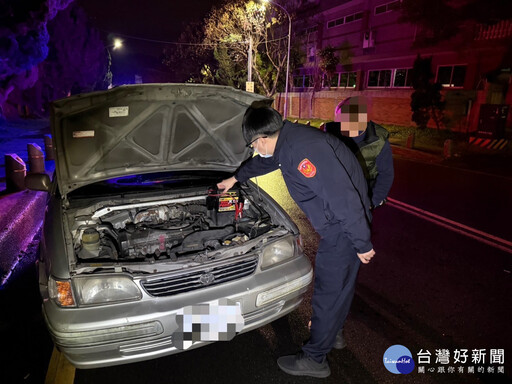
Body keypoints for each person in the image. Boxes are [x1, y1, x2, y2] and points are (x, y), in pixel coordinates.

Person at [217, 103, 375, 378]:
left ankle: (315, 359)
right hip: (346, 226)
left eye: (254, 145)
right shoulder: (288, 141)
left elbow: (343, 198)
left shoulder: (303, 150)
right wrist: (236, 177)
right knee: (342, 286)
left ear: (262, 138)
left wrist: (362, 242)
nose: (256, 150)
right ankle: (332, 334)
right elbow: (265, 161)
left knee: (328, 291)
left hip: (343, 228)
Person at [326, 96, 394, 209]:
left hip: (364, 196)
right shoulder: (332, 135)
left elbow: (386, 174)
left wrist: (373, 201)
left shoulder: (378, 140)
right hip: (338, 196)